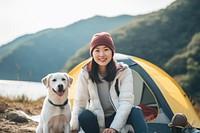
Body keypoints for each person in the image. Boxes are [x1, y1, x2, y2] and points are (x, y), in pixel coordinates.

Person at [71, 32, 148, 133]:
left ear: (112, 52)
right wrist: (74, 128)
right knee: (84, 115)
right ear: (92, 53)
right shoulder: (86, 72)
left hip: (117, 116)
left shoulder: (123, 71)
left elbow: (126, 101)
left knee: (136, 111)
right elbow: (80, 103)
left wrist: (114, 128)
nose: (102, 54)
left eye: (106, 49)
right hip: (97, 119)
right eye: (97, 50)